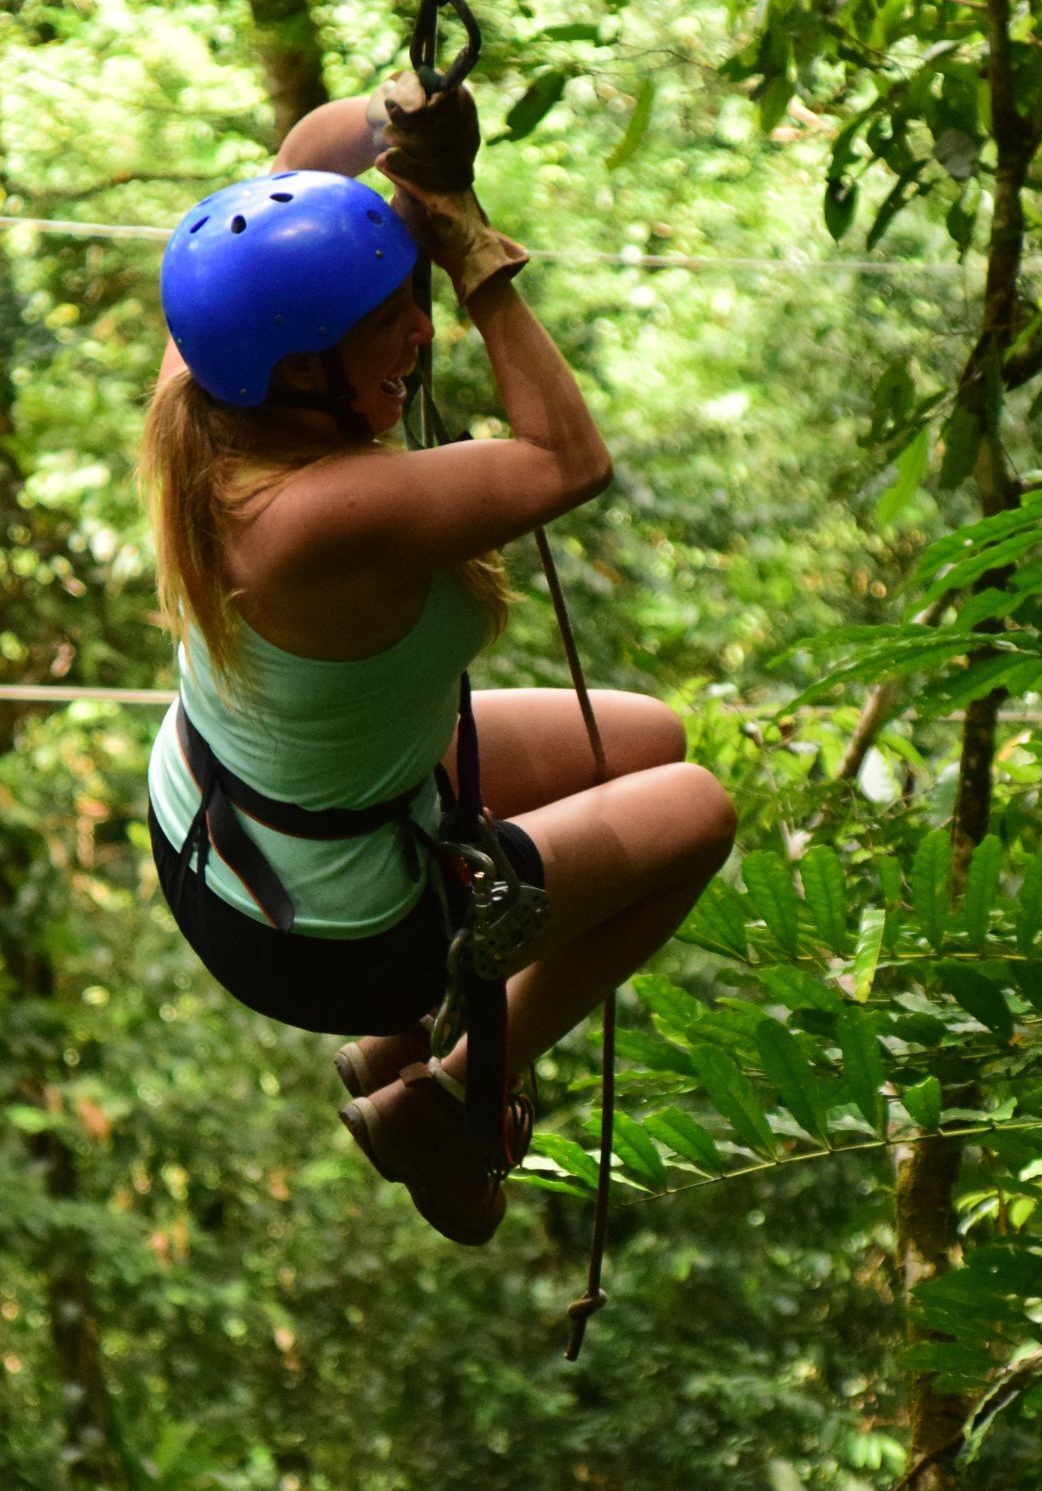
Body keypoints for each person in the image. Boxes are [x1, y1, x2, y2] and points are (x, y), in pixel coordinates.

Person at [140, 84, 737, 1247]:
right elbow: (567, 459)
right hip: (315, 928)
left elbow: (307, 155)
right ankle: (450, 1090)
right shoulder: (314, 517)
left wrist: (396, 115)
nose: (417, 338)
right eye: (386, 325)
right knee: (696, 812)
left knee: (649, 740)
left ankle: (391, 1040)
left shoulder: (210, 390)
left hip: (225, 822)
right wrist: (467, 250)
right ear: (304, 369)